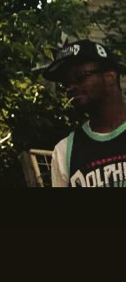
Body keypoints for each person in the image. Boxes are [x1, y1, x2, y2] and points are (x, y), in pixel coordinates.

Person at [42, 38, 126, 187]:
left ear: (110, 77)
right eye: (65, 84)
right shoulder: (65, 152)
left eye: (80, 77)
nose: (71, 87)